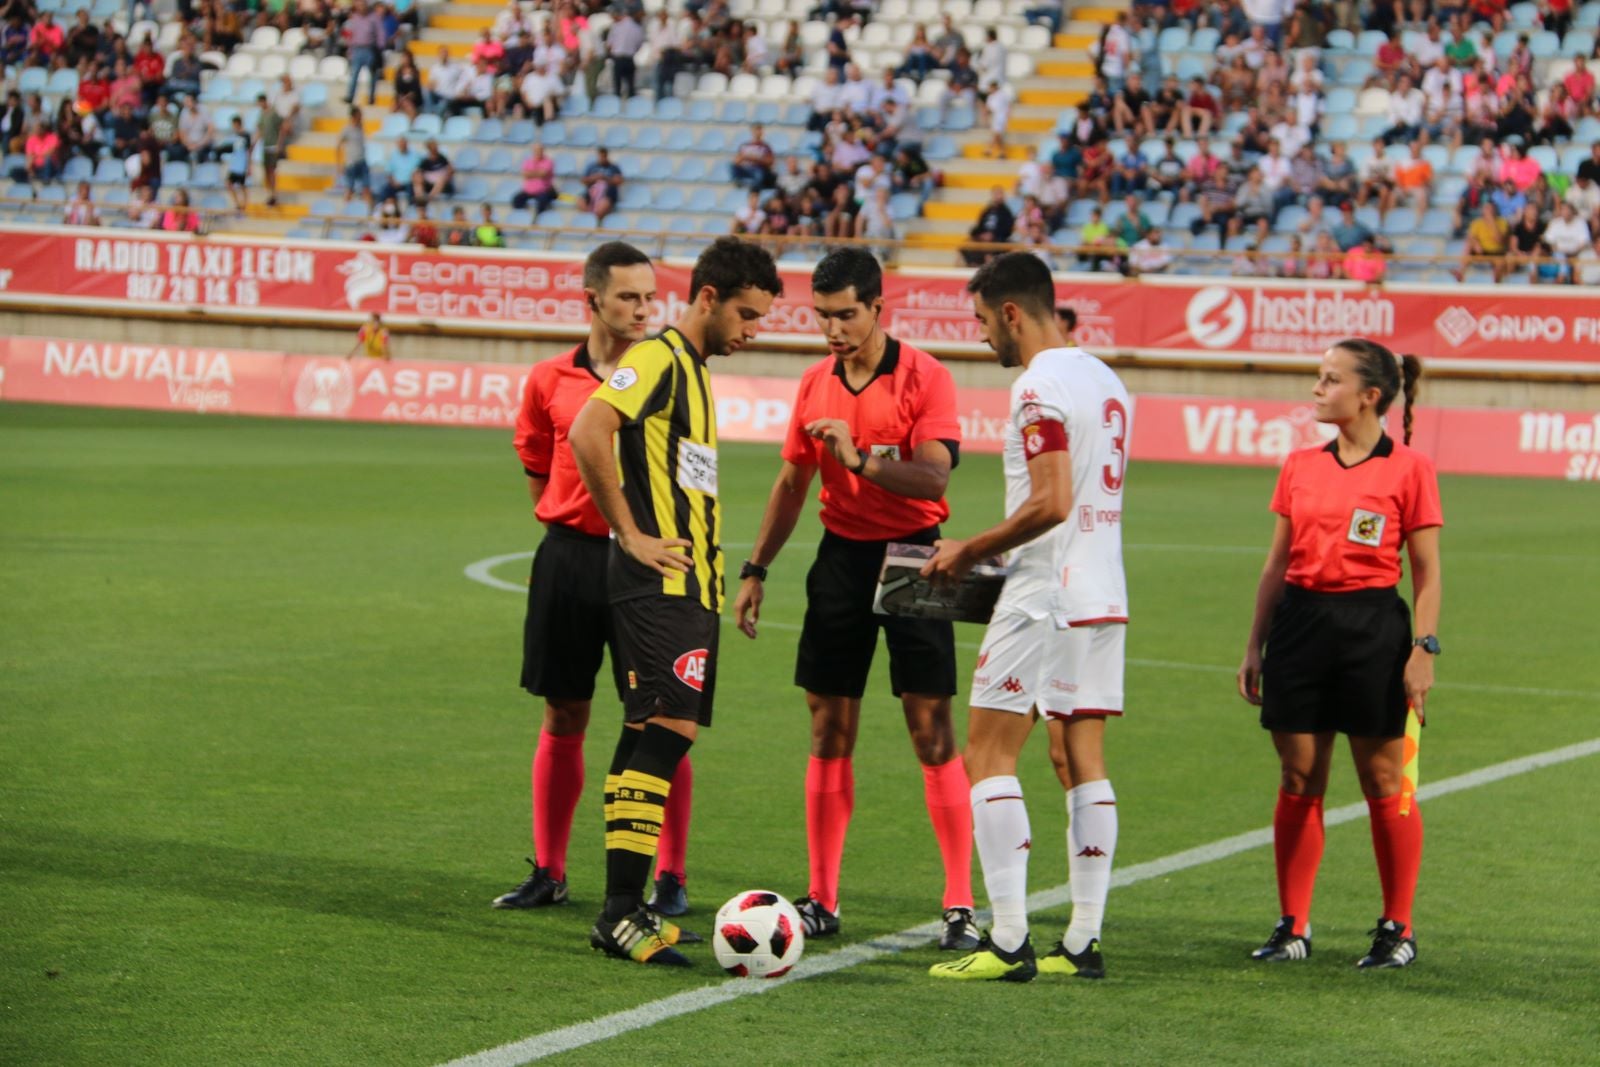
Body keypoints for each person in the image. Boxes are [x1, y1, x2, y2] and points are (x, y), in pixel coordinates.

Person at [732, 248, 978, 951]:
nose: (835, 329)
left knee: (930, 728)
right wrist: (756, 567)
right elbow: (790, 485)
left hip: (914, 557)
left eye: (847, 315)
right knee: (827, 727)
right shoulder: (815, 381)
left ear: (879, 308)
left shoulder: (925, 375)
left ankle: (959, 902)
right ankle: (822, 898)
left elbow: (933, 481)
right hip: (839, 559)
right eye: (823, 316)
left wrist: (861, 459)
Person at [567, 237, 783, 966]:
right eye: (747, 315)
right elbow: (588, 427)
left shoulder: (692, 370)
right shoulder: (658, 359)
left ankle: (627, 909)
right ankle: (621, 910)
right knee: (666, 731)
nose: (753, 330)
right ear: (710, 298)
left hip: (691, 587)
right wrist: (629, 531)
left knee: (650, 733)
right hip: (658, 583)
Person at [924, 251, 1130, 983]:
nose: (982, 336)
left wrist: (969, 551)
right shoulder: (1105, 379)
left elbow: (1050, 502)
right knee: (1080, 759)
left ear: (1012, 311)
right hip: (1103, 589)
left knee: (985, 753)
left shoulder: (1038, 387)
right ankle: (1082, 940)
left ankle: (1008, 939)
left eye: (983, 320)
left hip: (1044, 590)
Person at [494, 244, 699, 916]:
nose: (643, 311)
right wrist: (569, 522)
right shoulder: (549, 378)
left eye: (649, 298)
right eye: (628, 298)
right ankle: (549, 868)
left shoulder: (667, 372)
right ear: (592, 301)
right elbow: (534, 460)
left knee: (661, 718)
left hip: (643, 564)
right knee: (563, 711)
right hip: (570, 560)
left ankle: (670, 877)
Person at [1237, 339, 1441, 971]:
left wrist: (1423, 650)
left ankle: (1396, 928)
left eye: (1330, 380)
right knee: (1298, 778)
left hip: (1374, 631)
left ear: (1369, 396)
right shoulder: (1299, 464)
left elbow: (1428, 574)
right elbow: (1277, 563)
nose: (1317, 389)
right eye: (1318, 378)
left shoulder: (1410, 469)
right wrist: (1254, 644)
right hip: (1300, 626)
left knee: (1385, 782)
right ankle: (1292, 925)